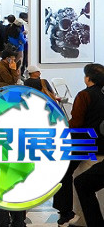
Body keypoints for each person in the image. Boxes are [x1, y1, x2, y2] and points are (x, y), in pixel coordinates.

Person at [53, 63, 104, 225]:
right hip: (102, 142)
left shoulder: (84, 95)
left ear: (88, 78)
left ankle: (65, 211)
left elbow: (76, 123)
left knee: (63, 170)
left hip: (86, 141)